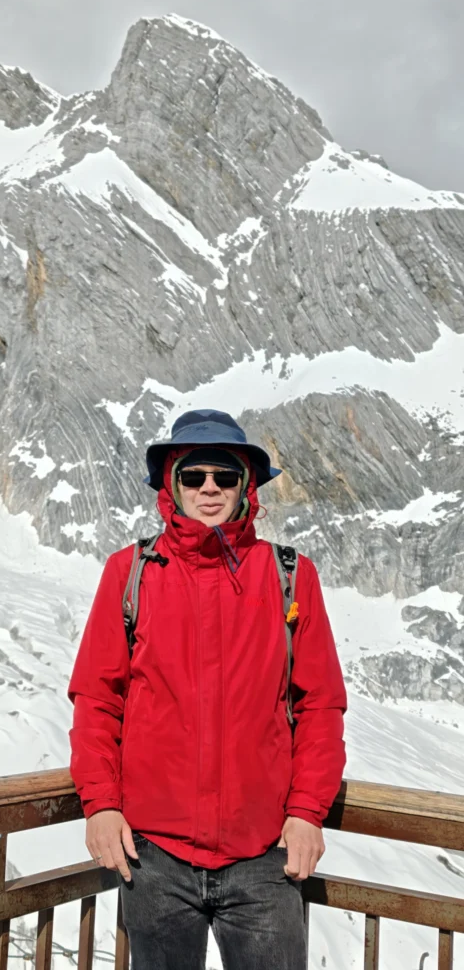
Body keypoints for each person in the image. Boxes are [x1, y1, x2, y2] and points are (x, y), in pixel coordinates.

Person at [68, 409, 347, 970]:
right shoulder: (131, 573)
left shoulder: (291, 575)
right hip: (154, 858)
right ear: (172, 484)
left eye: (224, 475)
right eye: (194, 476)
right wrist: (100, 804)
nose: (210, 488)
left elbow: (319, 705)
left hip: (264, 856)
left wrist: (308, 812)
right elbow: (98, 700)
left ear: (247, 484)